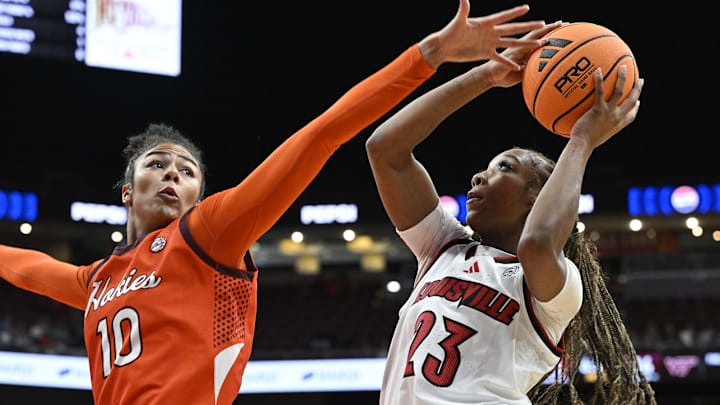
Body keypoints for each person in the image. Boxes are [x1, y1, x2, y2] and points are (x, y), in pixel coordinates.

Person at [0, 2, 548, 404]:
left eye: (187, 171)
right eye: (157, 164)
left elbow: (321, 135)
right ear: (127, 190)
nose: (173, 174)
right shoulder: (96, 279)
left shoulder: (208, 233)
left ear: (201, 195)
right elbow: (23, 267)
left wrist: (426, 56)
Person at [365, 19, 656, 405]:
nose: (479, 176)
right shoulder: (442, 249)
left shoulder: (559, 285)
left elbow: (536, 242)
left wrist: (583, 140)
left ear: (537, 195)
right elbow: (385, 151)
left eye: (504, 167)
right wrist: (485, 76)